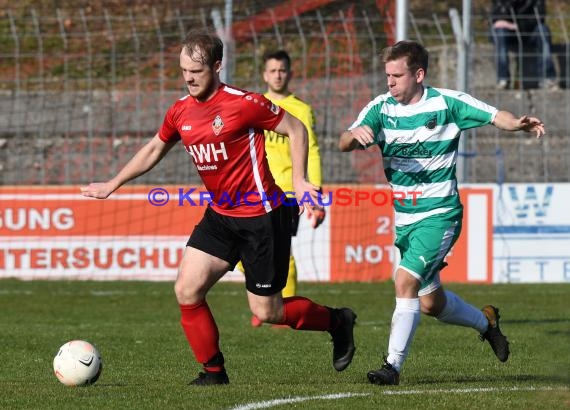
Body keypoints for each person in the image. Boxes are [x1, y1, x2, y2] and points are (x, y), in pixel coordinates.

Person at [80, 29, 356, 385]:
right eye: (183, 70)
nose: (188, 78)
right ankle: (213, 372)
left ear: (217, 65)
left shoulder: (244, 103)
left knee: (268, 311)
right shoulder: (180, 112)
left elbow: (297, 129)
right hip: (221, 217)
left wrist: (301, 181)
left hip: (263, 218)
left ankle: (338, 321)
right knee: (187, 289)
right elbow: (153, 149)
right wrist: (112, 183)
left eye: (196, 70)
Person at [339, 40, 545, 385]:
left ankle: (391, 367)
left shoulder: (447, 103)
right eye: (387, 75)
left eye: (397, 75)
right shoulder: (381, 108)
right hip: (404, 218)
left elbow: (496, 116)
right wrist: (353, 135)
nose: (389, 82)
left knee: (404, 280)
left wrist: (517, 124)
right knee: (431, 303)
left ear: (418, 74)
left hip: (440, 213)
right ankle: (487, 323)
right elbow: (344, 142)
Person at [240, 49, 324, 328]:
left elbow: (311, 149)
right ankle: (264, 300)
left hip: (287, 192)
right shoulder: (254, 105)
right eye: (272, 70)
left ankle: (282, 310)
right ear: (264, 74)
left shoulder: (301, 109)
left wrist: (315, 191)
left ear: (290, 73)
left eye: (282, 70)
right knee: (243, 250)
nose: (277, 75)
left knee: (281, 253)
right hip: (254, 190)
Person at [490, 0, 558, 90]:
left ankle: (548, 79)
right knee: (500, 32)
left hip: (529, 31)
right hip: (507, 33)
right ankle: (503, 79)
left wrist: (517, 26)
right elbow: (497, 18)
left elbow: (539, 19)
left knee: (543, 30)